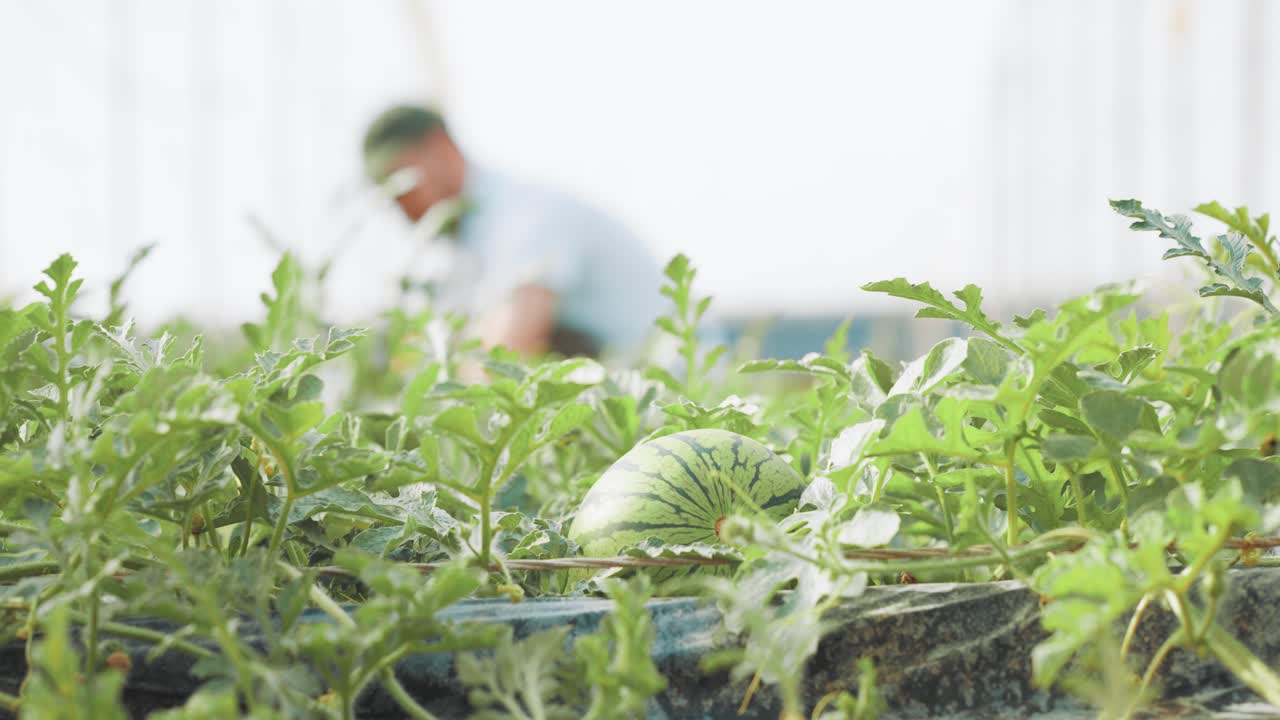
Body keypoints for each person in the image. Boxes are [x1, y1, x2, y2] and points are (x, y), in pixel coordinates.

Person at [361, 104, 666, 360]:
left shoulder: (521, 216)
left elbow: (506, 351)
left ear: (442, 148)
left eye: (402, 183)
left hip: (681, 383)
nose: (400, 204)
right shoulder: (470, 241)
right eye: (387, 194)